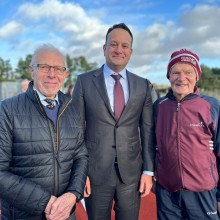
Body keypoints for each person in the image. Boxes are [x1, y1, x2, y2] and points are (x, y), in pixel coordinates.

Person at [72, 23, 155, 220]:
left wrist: (148, 171)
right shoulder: (84, 82)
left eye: (124, 46)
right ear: (104, 48)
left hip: (131, 174)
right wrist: (80, 173)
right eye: (114, 44)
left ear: (131, 52)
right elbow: (75, 130)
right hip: (95, 172)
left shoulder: (143, 85)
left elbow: (147, 130)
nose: (119, 50)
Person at [0, 44, 88, 220]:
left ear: (65, 74)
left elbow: (81, 155)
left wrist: (73, 193)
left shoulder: (72, 110)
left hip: (65, 213)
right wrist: (46, 203)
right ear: (32, 70)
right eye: (45, 67)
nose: (52, 74)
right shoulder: (7, 110)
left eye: (58, 68)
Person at [153, 49, 220, 219]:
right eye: (175, 72)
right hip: (167, 192)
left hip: (203, 191)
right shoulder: (158, 106)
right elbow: (151, 144)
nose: (181, 78)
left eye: (188, 72)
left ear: (197, 76)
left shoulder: (211, 105)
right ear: (169, 76)